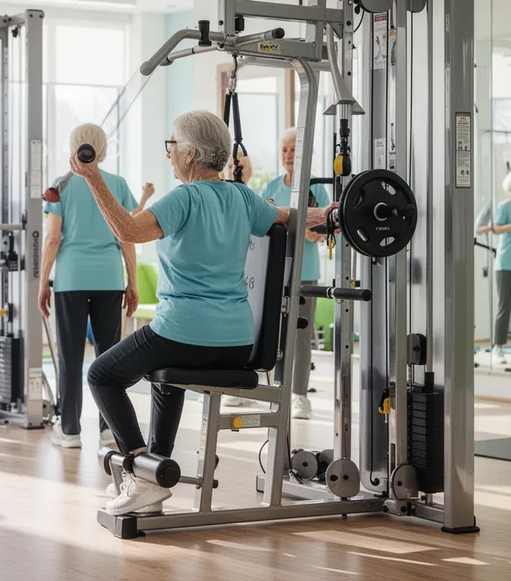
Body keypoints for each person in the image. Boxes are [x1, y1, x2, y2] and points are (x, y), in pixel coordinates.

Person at [78, 110, 334, 516]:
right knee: (167, 381)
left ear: (191, 152)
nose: (169, 154)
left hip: (182, 333)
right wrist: (325, 215)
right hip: (235, 342)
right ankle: (155, 473)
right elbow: (286, 217)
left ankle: (141, 469)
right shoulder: (242, 196)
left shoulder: (184, 198)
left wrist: (92, 177)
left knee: (101, 375)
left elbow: (129, 230)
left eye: (172, 145)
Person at [38, 124, 140, 450]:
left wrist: (43, 283)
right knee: (109, 358)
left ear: (74, 148)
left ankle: (69, 431)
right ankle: (109, 430)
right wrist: (132, 282)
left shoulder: (60, 186)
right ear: (103, 149)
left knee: (69, 356)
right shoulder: (119, 184)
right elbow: (128, 236)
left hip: (70, 280)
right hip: (110, 278)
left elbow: (53, 239)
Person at [254, 128, 331, 418]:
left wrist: (302, 229)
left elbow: (321, 229)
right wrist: (299, 228)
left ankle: (299, 395)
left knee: (300, 335)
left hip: (305, 272)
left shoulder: (316, 187)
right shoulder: (272, 187)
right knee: (274, 332)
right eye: (284, 150)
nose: (288, 156)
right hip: (276, 271)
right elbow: (261, 225)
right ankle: (277, 388)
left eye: (293, 151)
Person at [481, 172, 511, 367]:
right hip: (506, 262)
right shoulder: (505, 206)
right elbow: (495, 227)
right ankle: (498, 347)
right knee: (505, 306)